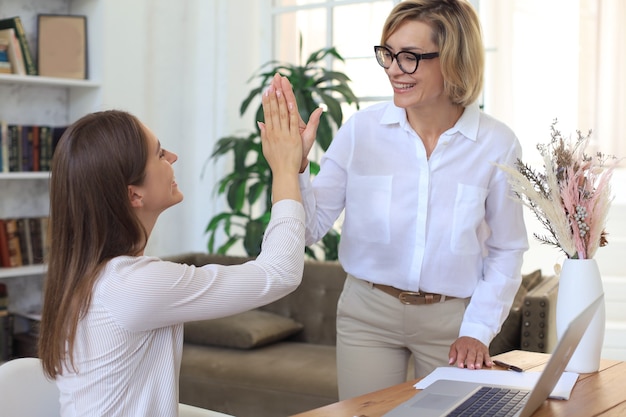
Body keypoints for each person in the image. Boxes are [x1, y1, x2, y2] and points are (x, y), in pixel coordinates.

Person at [272, 0, 529, 400]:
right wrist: (295, 166)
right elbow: (308, 229)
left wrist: (476, 331)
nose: (393, 68)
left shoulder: (496, 143)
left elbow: (507, 248)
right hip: (367, 312)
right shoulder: (361, 131)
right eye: (388, 54)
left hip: (453, 319)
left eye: (409, 57)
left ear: (453, 61)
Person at [37, 83, 304, 416]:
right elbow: (279, 274)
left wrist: (295, 172)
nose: (173, 157)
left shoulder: (89, 276)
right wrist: (285, 170)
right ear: (134, 195)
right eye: (160, 153)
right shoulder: (133, 285)